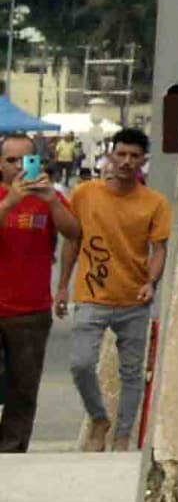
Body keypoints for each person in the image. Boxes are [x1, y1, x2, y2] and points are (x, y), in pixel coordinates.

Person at [60, 126, 169, 452]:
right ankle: (99, 418)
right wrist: (62, 286)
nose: (126, 161)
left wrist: (151, 283)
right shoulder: (85, 194)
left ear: (143, 161)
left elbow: (159, 249)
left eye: (134, 156)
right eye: (121, 154)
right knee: (80, 363)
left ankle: (122, 436)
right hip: (91, 296)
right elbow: (72, 241)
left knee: (132, 373)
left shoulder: (155, 202)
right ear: (110, 155)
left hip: (134, 299)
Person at [0, 133, 77, 452]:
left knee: (23, 390)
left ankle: (11, 453)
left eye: (26, 160)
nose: (19, 167)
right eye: (11, 160)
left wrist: (51, 201)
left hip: (31, 310)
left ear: (38, 162)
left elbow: (74, 232)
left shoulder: (50, 197)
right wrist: (10, 202)